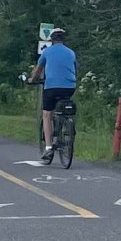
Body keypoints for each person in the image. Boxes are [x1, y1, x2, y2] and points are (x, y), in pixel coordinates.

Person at [27, 28, 77, 164]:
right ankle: (67, 125)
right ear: (63, 39)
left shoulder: (47, 52)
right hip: (69, 87)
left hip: (52, 87)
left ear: (52, 40)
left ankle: (49, 147)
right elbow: (75, 69)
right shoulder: (71, 53)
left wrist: (32, 79)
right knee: (63, 107)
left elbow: (38, 70)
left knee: (47, 114)